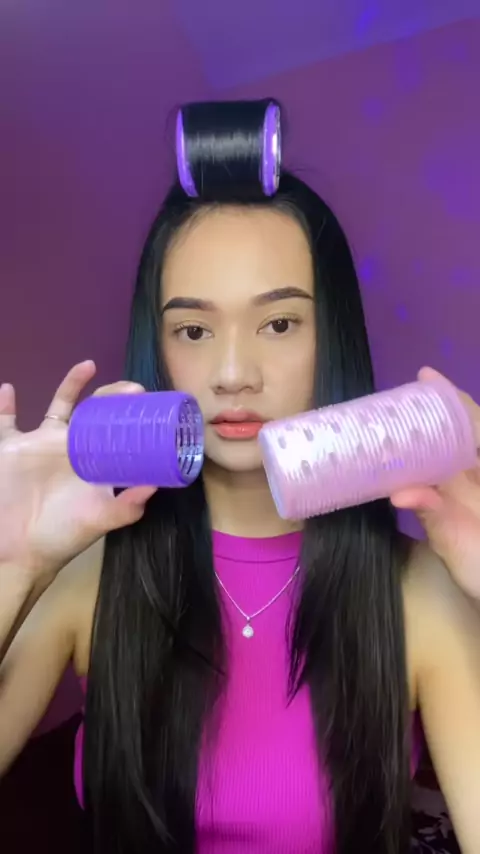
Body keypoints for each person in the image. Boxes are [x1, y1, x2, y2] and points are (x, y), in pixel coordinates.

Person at [1, 99, 480, 854]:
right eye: (193, 330)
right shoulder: (88, 575)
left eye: (279, 323)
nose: (232, 373)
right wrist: (13, 567)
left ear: (333, 338)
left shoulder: (416, 593)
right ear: (159, 349)